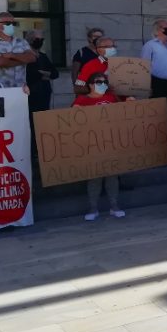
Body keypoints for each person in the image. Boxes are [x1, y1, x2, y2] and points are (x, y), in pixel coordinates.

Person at [73, 71, 126, 221]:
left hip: (111, 142)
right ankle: (93, 208)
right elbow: (71, 119)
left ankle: (114, 206)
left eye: (104, 82)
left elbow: (125, 115)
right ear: (90, 85)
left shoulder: (111, 98)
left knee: (112, 176)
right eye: (98, 82)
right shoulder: (82, 100)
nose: (102, 85)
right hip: (91, 144)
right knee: (94, 177)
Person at [142, 19, 167, 139]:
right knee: (158, 112)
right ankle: (157, 141)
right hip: (157, 82)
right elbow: (144, 65)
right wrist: (147, 85)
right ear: (158, 29)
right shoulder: (150, 45)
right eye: (166, 27)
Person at [0, 12, 36, 88]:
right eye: (7, 23)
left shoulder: (22, 42)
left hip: (20, 88)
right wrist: (22, 60)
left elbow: (32, 58)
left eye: (13, 23)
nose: (11, 25)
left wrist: (12, 55)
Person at [25, 30, 58, 113]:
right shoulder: (25, 55)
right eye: (37, 39)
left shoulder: (43, 56)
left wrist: (44, 73)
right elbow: (32, 74)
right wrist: (46, 74)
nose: (40, 42)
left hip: (45, 93)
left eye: (42, 40)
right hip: (31, 95)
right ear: (30, 40)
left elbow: (55, 73)